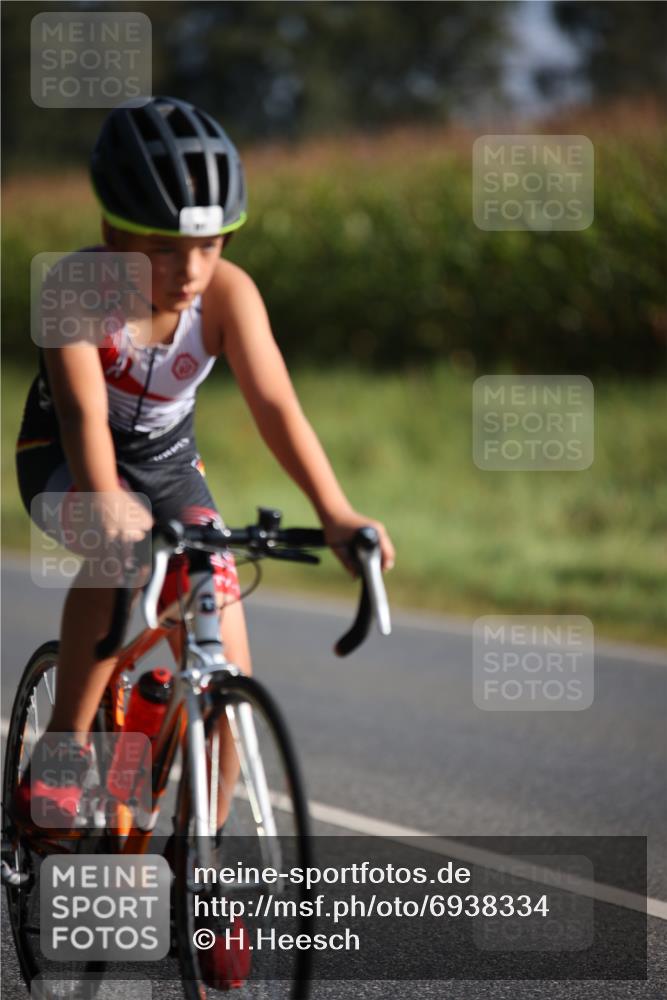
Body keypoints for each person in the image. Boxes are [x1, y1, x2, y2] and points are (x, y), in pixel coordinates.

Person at [13, 95, 394, 837]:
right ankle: (63, 748)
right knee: (120, 548)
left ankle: (204, 863)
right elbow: (82, 416)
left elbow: (277, 407)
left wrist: (337, 513)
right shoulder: (72, 290)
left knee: (224, 634)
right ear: (108, 231)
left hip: (169, 466)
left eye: (210, 245)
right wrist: (100, 495)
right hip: (66, 459)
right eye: (161, 250)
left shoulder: (229, 294)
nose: (189, 270)